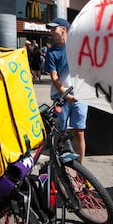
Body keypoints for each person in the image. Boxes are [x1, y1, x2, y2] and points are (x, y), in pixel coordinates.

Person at [44, 18, 88, 164]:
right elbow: (54, 77)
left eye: (53, 28)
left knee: (79, 131)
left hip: (80, 96)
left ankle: (81, 167)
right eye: (50, 29)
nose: (51, 32)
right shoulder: (51, 53)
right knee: (60, 132)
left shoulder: (78, 47)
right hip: (61, 97)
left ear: (63, 28)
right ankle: (58, 163)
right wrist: (65, 94)